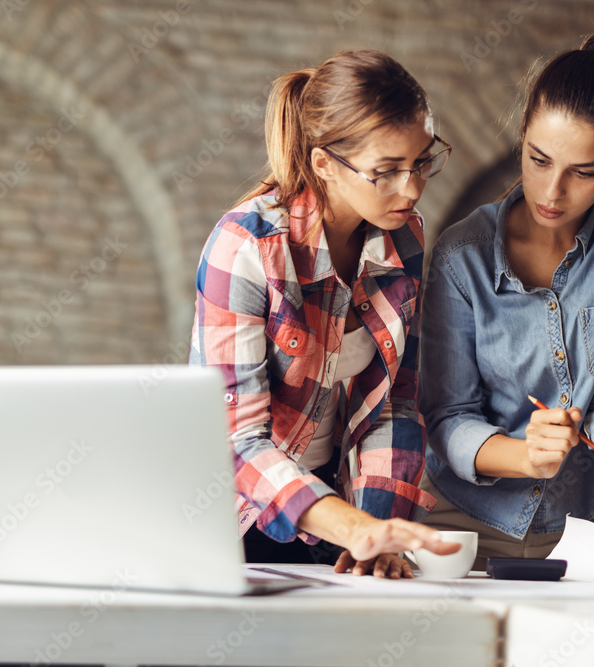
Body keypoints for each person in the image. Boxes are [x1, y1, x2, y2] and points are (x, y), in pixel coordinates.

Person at [189, 49, 459, 578]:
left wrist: (378, 532)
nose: (413, 188)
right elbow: (236, 443)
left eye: (422, 161)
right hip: (226, 524)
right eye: (385, 171)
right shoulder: (245, 245)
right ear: (322, 164)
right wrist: (355, 528)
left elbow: (393, 405)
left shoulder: (404, 239)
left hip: (327, 521)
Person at [418, 33, 594, 568]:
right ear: (522, 136)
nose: (552, 193)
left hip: (589, 524)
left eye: (584, 173)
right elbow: (446, 416)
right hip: (466, 522)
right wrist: (524, 456)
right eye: (538, 160)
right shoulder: (459, 257)